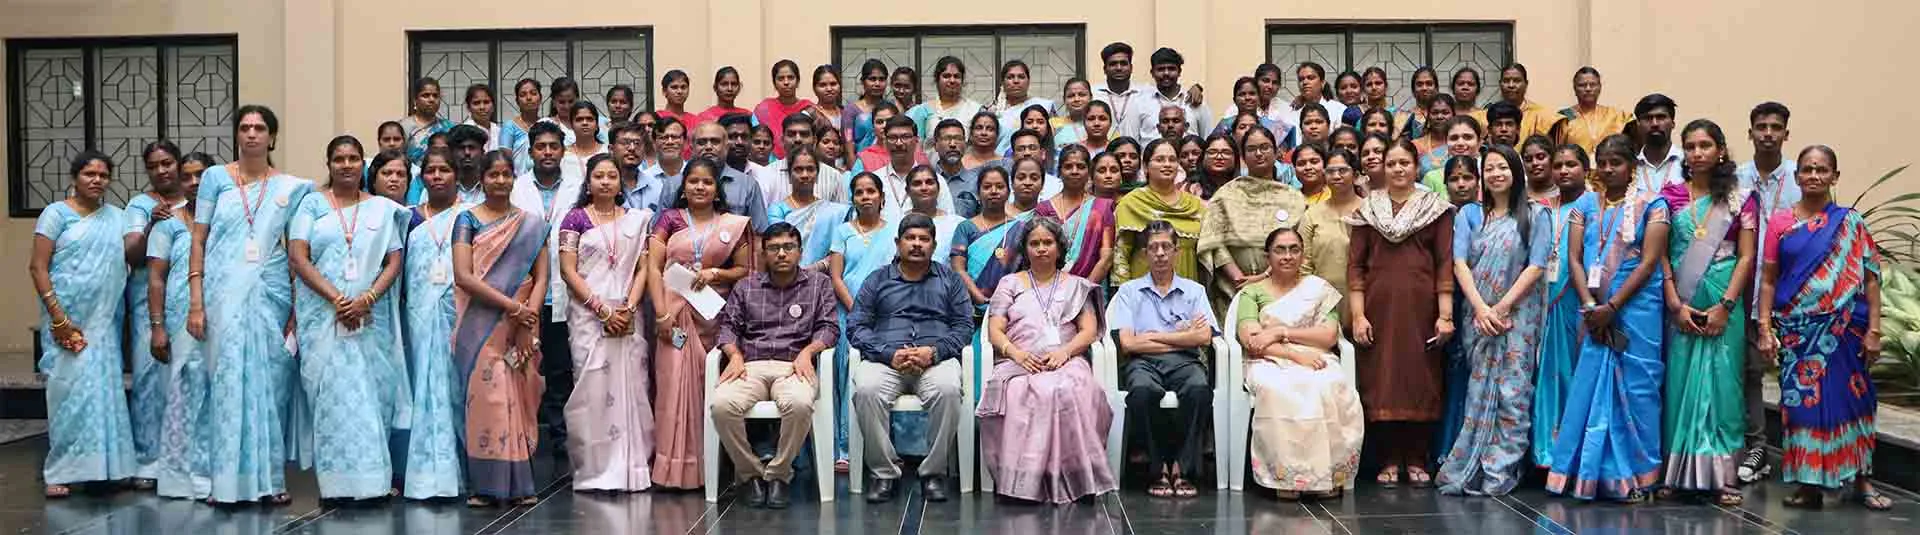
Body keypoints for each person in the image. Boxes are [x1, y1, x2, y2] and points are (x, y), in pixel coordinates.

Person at [1756, 145, 1891, 511]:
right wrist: (1765, 328)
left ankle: (1861, 480)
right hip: (1798, 332)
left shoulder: (1850, 222)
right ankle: (1809, 484)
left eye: (1822, 169)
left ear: (1835, 176)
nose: (1814, 175)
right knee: (1800, 407)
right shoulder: (1781, 223)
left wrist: (1874, 330)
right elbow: (1768, 280)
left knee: (1853, 402)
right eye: (1807, 169)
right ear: (1796, 176)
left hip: (1847, 330)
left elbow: (1871, 279)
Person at [189, 106, 312, 504]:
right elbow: (199, 239)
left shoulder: (291, 189)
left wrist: (296, 309)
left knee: (270, 385)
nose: (252, 134)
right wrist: (196, 301)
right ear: (237, 135)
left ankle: (271, 480)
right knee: (226, 382)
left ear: (272, 137)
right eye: (245, 127)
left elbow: (297, 252)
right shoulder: (214, 179)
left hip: (270, 292)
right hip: (222, 292)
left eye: (260, 128)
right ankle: (225, 481)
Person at [1546, 134, 1670, 503]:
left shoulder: (1653, 204)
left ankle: (1639, 474)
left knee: (1638, 388)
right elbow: (1573, 258)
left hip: (1637, 308)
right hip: (1592, 309)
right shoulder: (1585, 204)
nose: (1608, 169)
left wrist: (1612, 307)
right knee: (1589, 386)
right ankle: (1590, 473)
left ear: (1631, 166)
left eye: (1616, 162)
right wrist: (1589, 305)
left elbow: (1649, 262)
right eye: (1603, 162)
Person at [288, 135, 409, 500]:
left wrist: (366, 298)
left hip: (370, 319)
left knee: (369, 396)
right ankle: (336, 486)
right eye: (339, 159)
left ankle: (373, 483)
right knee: (331, 399)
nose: (346, 165)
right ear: (329, 164)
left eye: (353, 158)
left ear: (363, 164)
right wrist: (338, 300)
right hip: (323, 317)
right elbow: (298, 257)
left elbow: (394, 261)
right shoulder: (311, 204)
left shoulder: (382, 209)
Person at [1435, 145, 1550, 496]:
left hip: (1517, 317)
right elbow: (1459, 264)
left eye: (1503, 167)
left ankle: (1500, 470)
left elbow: (1537, 265)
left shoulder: (1536, 214)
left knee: (1513, 393)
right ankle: (1472, 467)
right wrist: (1482, 309)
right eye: (1489, 169)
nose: (1496, 174)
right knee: (1478, 392)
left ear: (1516, 172)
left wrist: (1501, 308)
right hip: (1478, 316)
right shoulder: (1470, 214)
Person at [978, 218, 1116, 503]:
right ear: (1025, 249)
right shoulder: (1009, 283)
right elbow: (995, 330)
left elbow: (1088, 330)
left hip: (1066, 358)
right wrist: (1016, 353)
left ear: (1059, 247)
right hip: (1020, 360)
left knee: (1074, 387)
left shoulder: (1076, 285)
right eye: (1034, 243)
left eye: (1047, 242)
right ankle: (1022, 483)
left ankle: (1078, 477)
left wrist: (1065, 352)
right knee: (1019, 391)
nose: (1041, 249)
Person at [1655, 119, 1757, 505]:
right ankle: (1675, 472)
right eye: (1691, 146)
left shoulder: (1740, 198)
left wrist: (1726, 306)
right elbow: (1660, 254)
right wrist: (1673, 302)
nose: (1697, 153)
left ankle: (1723, 475)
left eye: (1705, 146)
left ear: (1721, 150)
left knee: (1723, 384)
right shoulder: (1670, 196)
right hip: (1681, 301)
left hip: (1723, 302)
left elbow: (1746, 256)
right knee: (1679, 383)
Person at [1347, 137, 1456, 489]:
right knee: (1381, 382)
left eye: (1404, 163)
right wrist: (1358, 315)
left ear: (1416, 167)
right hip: (1377, 311)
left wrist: (1445, 315)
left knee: (1421, 380)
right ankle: (1390, 458)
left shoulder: (1435, 209)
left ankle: (1417, 457)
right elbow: (1356, 268)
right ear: (1382, 167)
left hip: (1422, 312)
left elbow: (1444, 264)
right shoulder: (1368, 210)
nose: (1397, 169)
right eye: (1391, 163)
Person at [32, 151, 137, 499]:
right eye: (89, 174)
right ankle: (61, 471)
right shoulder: (55, 214)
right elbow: (38, 267)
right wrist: (58, 318)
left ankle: (105, 469)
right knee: (68, 394)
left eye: (103, 175)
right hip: (67, 323)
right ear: (75, 177)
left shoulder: (117, 218)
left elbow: (130, 258)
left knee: (104, 395)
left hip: (103, 322)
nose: (97, 180)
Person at [849, 214, 974, 503]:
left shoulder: (950, 280)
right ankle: (884, 473)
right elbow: (856, 326)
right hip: (886, 361)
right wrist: (888, 354)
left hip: (935, 360)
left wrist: (934, 352)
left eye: (924, 239)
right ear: (898, 243)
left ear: (934, 245)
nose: (917, 244)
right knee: (866, 389)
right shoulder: (877, 280)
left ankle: (933, 472)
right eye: (910, 238)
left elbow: (964, 326)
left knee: (948, 390)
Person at [648, 158, 756, 490]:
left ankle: (714, 469)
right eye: (693, 181)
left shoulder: (732, 224)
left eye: (707, 182)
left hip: (715, 318)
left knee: (710, 390)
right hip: (674, 316)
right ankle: (674, 470)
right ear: (683, 187)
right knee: (672, 388)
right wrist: (661, 315)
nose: (700, 187)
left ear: (717, 189)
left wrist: (715, 273)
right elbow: (653, 268)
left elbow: (745, 270)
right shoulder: (669, 219)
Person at [712, 222, 838, 509]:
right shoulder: (746, 286)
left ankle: (780, 474)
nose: (782, 254)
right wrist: (734, 355)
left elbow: (829, 327)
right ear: (764, 253)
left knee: (800, 404)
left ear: (800, 251)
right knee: (721, 406)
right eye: (774, 248)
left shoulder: (819, 285)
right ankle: (751, 474)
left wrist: (809, 351)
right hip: (750, 366)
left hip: (794, 366)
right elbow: (728, 328)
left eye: (788, 247)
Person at [451, 149, 550, 507]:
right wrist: (512, 308)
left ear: (514, 178)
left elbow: (542, 277)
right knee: (487, 399)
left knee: (520, 395)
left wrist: (528, 316)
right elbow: (463, 276)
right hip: (479, 324)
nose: (500, 180)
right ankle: (485, 485)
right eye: (493, 174)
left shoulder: (531, 224)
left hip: (522, 321)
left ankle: (520, 483)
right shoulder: (467, 220)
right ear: (481, 179)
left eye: (506, 174)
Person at [1236, 227, 1365, 501]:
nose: (1287, 256)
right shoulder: (1252, 292)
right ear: (1267, 256)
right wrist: (1294, 355)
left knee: (1331, 384)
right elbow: (1252, 340)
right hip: (1268, 360)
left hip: (1317, 356)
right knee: (1279, 389)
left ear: (1303, 255)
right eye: (1280, 250)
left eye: (1294, 249)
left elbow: (1328, 336)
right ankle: (1287, 478)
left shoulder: (1318, 289)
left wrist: (1280, 332)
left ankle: (1325, 476)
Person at [553, 153, 657, 492]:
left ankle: (633, 468)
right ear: (588, 182)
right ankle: (596, 470)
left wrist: (628, 307)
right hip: (589, 315)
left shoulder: (636, 220)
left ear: (620, 182)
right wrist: (601, 310)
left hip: (627, 315)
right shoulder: (575, 219)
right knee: (593, 389)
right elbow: (567, 270)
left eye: (612, 176)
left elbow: (643, 268)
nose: (606, 182)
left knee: (633, 386)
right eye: (599, 176)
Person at [1109, 221, 1216, 498]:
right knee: (1142, 392)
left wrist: (1156, 337)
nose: (1160, 253)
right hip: (1142, 363)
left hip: (1186, 363)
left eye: (1166, 247)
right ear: (1144, 253)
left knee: (1199, 389)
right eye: (1153, 247)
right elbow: (1128, 344)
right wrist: (1182, 336)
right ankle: (1158, 468)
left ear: (1176, 252)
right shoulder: (1129, 292)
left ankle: (1182, 467)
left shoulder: (1194, 291)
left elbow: (1203, 337)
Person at [1734, 102, 1799, 484]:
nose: (1768, 134)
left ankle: (1801, 453)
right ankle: (1756, 447)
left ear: (1786, 134)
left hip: (1790, 295)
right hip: (1745, 291)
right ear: (1751, 133)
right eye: (1761, 127)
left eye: (1776, 127)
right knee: (1750, 373)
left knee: (1797, 374)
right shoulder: (1736, 179)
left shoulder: (1800, 178)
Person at [398, 149, 468, 500]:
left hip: (460, 313)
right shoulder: (408, 218)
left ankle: (463, 471)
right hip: (420, 315)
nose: (437, 176)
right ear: (421, 177)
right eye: (431, 171)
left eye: (444, 170)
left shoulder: (470, 215)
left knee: (457, 388)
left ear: (456, 174)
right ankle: (426, 475)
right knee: (424, 386)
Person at [509, 120, 581, 451]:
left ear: (563, 151)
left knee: (561, 368)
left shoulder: (577, 187)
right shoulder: (517, 188)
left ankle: (561, 437)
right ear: (531, 152)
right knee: (526, 362)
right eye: (541, 147)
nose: (548, 152)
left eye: (554, 146)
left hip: (565, 292)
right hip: (527, 291)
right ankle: (523, 435)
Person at [146, 149, 209, 499]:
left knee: (215, 388)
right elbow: (156, 278)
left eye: (201, 175)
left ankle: (213, 472)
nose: (194, 182)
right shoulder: (168, 221)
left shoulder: (226, 218)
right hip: (179, 315)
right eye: (187, 176)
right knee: (183, 389)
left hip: (220, 316)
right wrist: (157, 326)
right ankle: (180, 476)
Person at [1531, 144, 1598, 474]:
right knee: (1548, 373)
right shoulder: (1542, 208)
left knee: (1576, 372)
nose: (1563, 171)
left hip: (1580, 299)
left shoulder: (1596, 205)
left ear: (1586, 168)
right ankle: (1546, 451)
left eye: (1571, 164)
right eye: (1558, 165)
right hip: (1544, 300)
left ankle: (1576, 451)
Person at [125, 140, 184, 488]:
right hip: (148, 302)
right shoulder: (140, 205)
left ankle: (182, 457)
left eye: (167, 163)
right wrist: (151, 225)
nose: (161, 170)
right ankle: (148, 461)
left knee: (185, 378)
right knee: (149, 376)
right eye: (153, 166)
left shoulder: (196, 201)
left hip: (188, 299)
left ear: (178, 164)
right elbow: (131, 255)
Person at [829, 172, 898, 467]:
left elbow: (897, 274)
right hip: (848, 314)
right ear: (853, 198)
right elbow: (836, 276)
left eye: (871, 191)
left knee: (883, 376)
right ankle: (845, 449)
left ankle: (884, 450)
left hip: (886, 314)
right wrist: (857, 310)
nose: (866, 196)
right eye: (859, 192)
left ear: (882, 197)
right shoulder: (843, 232)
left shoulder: (894, 231)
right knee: (846, 374)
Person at [1199, 127, 1308, 309]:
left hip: (1282, 290)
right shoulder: (1226, 195)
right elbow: (1213, 242)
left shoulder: (1293, 198)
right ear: (1242, 156)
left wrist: (1265, 277)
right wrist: (1238, 279)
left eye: (1265, 147)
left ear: (1276, 152)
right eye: (1251, 149)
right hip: (1232, 290)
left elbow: (1301, 245)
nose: (1258, 153)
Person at [1115, 139, 1206, 285]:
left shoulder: (1194, 205)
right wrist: (1125, 293)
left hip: (1188, 289)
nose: (1167, 164)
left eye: (1172, 160)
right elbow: (1120, 255)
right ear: (1145, 167)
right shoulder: (1132, 203)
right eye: (1160, 160)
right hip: (1143, 290)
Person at [656, 119, 771, 232]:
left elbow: (759, 233)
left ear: (726, 147)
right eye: (702, 142)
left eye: (715, 141)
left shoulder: (747, 185)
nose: (708, 147)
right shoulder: (673, 184)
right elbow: (657, 231)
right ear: (692, 148)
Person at [1299, 148, 1364, 321]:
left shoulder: (1369, 211)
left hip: (1365, 301)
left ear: (1356, 175)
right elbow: (1304, 266)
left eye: (1342, 170)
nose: (1336, 176)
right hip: (1322, 304)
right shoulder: (1312, 215)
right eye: (1330, 171)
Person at [1033, 145, 1115, 282]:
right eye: (1068, 166)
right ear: (1059, 171)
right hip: (1048, 286)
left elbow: (1106, 258)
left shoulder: (1101, 207)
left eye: (1081, 167)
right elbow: (1037, 253)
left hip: (1089, 286)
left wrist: (1083, 289)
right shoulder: (1044, 209)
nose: (1074, 171)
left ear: (1089, 172)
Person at [953, 167, 1025, 310]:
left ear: (1008, 192)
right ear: (978, 193)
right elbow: (958, 268)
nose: (993, 191)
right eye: (987, 187)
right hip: (970, 307)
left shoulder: (1021, 229)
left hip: (1011, 306)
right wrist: (979, 298)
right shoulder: (965, 227)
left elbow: (1025, 270)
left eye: (1000, 186)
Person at [769, 149, 850, 270]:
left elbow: (841, 249)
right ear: (789, 176)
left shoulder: (835, 212)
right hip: (783, 274)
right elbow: (778, 245)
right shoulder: (777, 210)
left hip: (823, 277)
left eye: (810, 169)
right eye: (798, 170)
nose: (805, 175)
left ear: (817, 175)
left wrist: (817, 267)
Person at [874, 115, 957, 220]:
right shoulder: (875, 180)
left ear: (917, 140)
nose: (899, 143)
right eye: (893, 138)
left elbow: (949, 220)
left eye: (905, 137)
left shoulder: (935, 181)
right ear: (885, 141)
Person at [1550, 67, 1631, 158]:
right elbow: (1558, 152)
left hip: (1609, 165)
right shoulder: (1565, 116)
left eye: (1592, 85)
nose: (1588, 89)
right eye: (1582, 85)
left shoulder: (1617, 116)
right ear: (1575, 89)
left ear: (1600, 88)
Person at [907, 57, 983, 146]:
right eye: (946, 76)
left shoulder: (975, 110)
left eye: (956, 76)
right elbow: (916, 146)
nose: (952, 80)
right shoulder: (923, 110)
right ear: (937, 79)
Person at [1094, 42, 1159, 141]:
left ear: (1131, 68)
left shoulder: (1146, 93)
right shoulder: (1094, 94)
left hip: (1138, 150)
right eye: (1113, 64)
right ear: (1104, 69)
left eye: (1123, 63)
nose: (1119, 68)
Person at [754, 60, 815, 159]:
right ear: (774, 83)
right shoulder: (764, 108)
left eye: (790, 78)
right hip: (770, 163)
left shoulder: (809, 107)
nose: (786, 82)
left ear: (798, 81)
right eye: (781, 78)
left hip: (805, 162)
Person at [992, 60, 1056, 154]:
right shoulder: (993, 112)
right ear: (1002, 82)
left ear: (1028, 81)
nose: (1016, 81)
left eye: (1021, 77)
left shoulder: (1045, 106)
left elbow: (1053, 138)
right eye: (1010, 77)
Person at [907, 165, 967, 258]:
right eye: (917, 183)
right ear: (907, 191)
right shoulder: (898, 223)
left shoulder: (958, 224)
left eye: (929, 182)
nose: (924, 188)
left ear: (938, 188)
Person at [1148, 48, 1210, 139]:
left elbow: (1207, 138)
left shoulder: (1194, 101)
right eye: (1160, 69)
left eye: (1171, 69)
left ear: (1179, 71)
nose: (1166, 73)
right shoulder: (1140, 102)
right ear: (1152, 73)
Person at [1212, 77, 1292, 146]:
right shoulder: (1225, 125)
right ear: (1234, 100)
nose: (1247, 98)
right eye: (1242, 94)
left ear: (1259, 98)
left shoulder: (1275, 128)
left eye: (1252, 93)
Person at [929, 119, 984, 218]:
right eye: (946, 139)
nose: (953, 144)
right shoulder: (925, 181)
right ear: (935, 145)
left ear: (965, 145)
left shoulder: (977, 181)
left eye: (958, 139)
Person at [1633, 94, 1683, 196]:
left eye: (1661, 117)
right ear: (1638, 125)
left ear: (1673, 123)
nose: (1654, 123)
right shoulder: (1631, 168)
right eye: (1647, 118)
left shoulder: (1687, 163)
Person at [611, 123, 664, 213]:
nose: (632, 148)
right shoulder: (603, 185)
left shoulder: (658, 186)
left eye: (637, 143)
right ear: (611, 149)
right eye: (625, 143)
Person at [1284, 62, 1348, 134]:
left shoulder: (1338, 110)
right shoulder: (1291, 111)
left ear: (1322, 83)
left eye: (1310, 78)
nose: (1305, 82)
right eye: (1301, 79)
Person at [1422, 116, 1483, 192]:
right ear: (1446, 142)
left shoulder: (1490, 174)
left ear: (1479, 142)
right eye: (1454, 138)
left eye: (1468, 137)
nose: (1460, 143)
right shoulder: (1433, 178)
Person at [402, 77, 456, 162]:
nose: (431, 100)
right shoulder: (404, 127)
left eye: (435, 96)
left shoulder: (450, 128)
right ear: (415, 100)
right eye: (426, 95)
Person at [1496, 63, 1555, 140]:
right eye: (1506, 81)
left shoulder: (1542, 116)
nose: (1511, 85)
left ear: (1526, 84)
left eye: (1517, 81)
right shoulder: (1487, 116)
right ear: (1500, 84)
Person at [848, 60, 890, 153]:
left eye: (882, 79)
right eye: (872, 79)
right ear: (862, 81)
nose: (877, 84)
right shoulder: (851, 110)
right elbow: (848, 147)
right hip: (860, 160)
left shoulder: (890, 109)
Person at [508, 79, 544, 175]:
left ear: (540, 98)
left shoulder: (546, 124)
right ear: (517, 101)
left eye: (533, 93)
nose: (528, 98)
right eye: (523, 95)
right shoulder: (509, 127)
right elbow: (505, 160)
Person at [1186, 133, 1238, 200]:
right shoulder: (1190, 189)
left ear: (1235, 157)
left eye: (1226, 152)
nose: (1219, 157)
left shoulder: (1243, 188)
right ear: (1203, 157)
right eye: (1212, 152)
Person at [1394, 67, 1442, 140]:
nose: (1424, 88)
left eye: (1429, 84)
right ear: (1413, 91)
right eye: (1419, 84)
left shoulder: (1446, 115)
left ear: (1436, 88)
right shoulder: (1403, 117)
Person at [464, 84, 514, 152]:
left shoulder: (499, 132)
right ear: (468, 107)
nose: (482, 107)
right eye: (476, 103)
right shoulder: (463, 132)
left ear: (493, 106)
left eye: (486, 102)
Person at [1051, 78, 1094, 148]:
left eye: (1082, 95)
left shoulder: (1100, 124)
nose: (1076, 99)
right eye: (1071, 96)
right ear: (1064, 100)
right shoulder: (1054, 125)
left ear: (1091, 97)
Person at [1522, 136, 1560, 201]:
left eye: (1541, 157)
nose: (1534, 163)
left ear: (1552, 159)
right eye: (1528, 159)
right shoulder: (1516, 193)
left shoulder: (1565, 194)